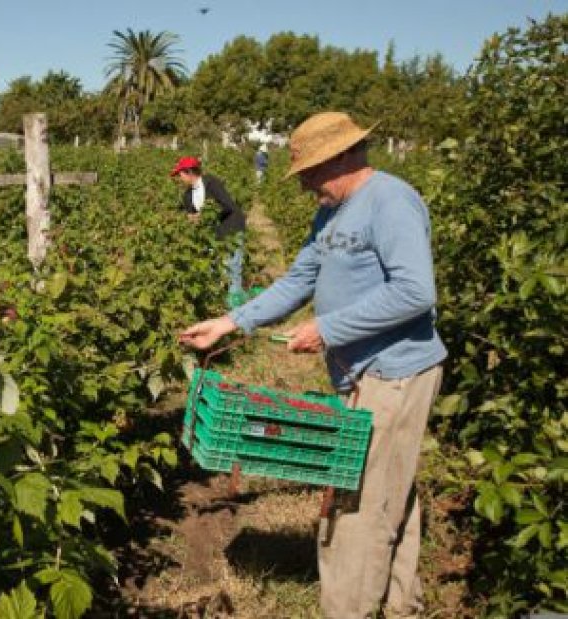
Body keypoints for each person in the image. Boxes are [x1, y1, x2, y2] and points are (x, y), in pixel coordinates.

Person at [179, 112, 447, 619]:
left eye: (309, 171)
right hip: (360, 372)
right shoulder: (331, 211)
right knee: (390, 491)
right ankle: (400, 604)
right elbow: (299, 280)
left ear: (343, 157)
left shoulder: (390, 201)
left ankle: (348, 610)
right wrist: (231, 322)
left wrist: (329, 328)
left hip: (395, 372)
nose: (303, 185)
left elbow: (415, 291)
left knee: (357, 505)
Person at [170, 156, 247, 298]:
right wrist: (188, 219)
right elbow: (190, 214)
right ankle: (218, 301)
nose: (179, 179)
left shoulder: (212, 183)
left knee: (232, 267)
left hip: (231, 227)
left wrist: (202, 215)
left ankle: (235, 305)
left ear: (189, 172)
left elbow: (228, 206)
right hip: (212, 233)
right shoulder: (187, 195)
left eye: (180, 175)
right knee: (213, 267)